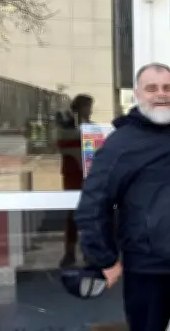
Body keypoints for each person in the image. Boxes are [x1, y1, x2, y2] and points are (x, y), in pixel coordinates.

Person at [74, 62, 170, 331]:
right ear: (137, 95)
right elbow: (92, 206)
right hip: (148, 272)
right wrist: (104, 259)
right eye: (151, 88)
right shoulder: (121, 144)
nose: (161, 94)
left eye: (167, 87)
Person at [56, 94, 94, 268]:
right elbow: (62, 143)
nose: (90, 110)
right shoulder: (67, 125)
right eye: (87, 106)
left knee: (90, 214)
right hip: (73, 174)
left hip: (88, 175)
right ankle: (69, 253)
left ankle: (88, 252)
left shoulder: (90, 127)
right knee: (72, 215)